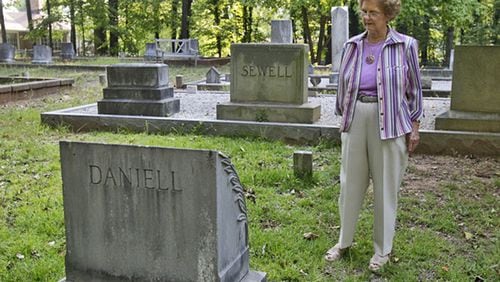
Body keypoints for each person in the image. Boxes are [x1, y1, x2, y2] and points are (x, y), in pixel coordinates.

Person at [324, 0, 423, 272]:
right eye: (364, 12)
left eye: (373, 13)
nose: (367, 18)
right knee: (349, 185)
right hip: (356, 118)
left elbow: (414, 90)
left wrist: (414, 126)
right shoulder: (352, 46)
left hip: (390, 123)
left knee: (384, 188)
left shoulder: (405, 46)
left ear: (388, 14)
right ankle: (343, 242)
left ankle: (382, 251)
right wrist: (344, 119)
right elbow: (343, 86)